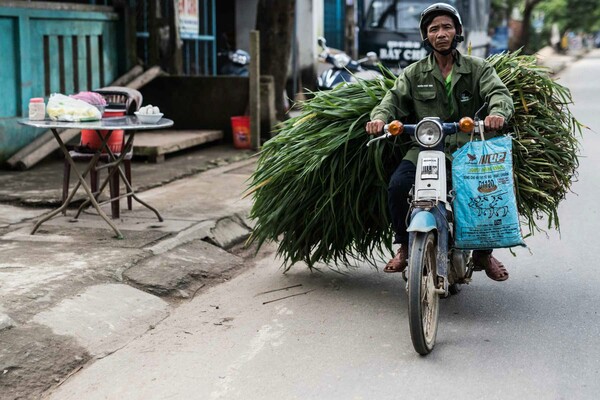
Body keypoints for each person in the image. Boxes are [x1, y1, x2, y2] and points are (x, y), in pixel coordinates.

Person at [365, 3, 514, 281]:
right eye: (434, 29)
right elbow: (391, 101)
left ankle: (483, 253)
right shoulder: (414, 73)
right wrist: (379, 119)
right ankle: (405, 246)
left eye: (447, 27)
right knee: (398, 186)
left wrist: (496, 113)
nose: (441, 33)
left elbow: (499, 94)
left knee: (482, 193)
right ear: (427, 37)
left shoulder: (477, 68)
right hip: (426, 147)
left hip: (469, 148)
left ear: (457, 32)